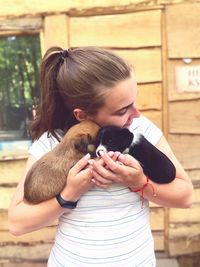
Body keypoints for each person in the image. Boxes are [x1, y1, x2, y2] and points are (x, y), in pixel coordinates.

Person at [8, 46, 193, 267]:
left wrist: (137, 182)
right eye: (122, 110)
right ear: (82, 115)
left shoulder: (139, 131)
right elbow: (17, 223)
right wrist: (69, 194)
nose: (137, 114)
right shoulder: (52, 143)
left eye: (134, 102)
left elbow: (185, 197)